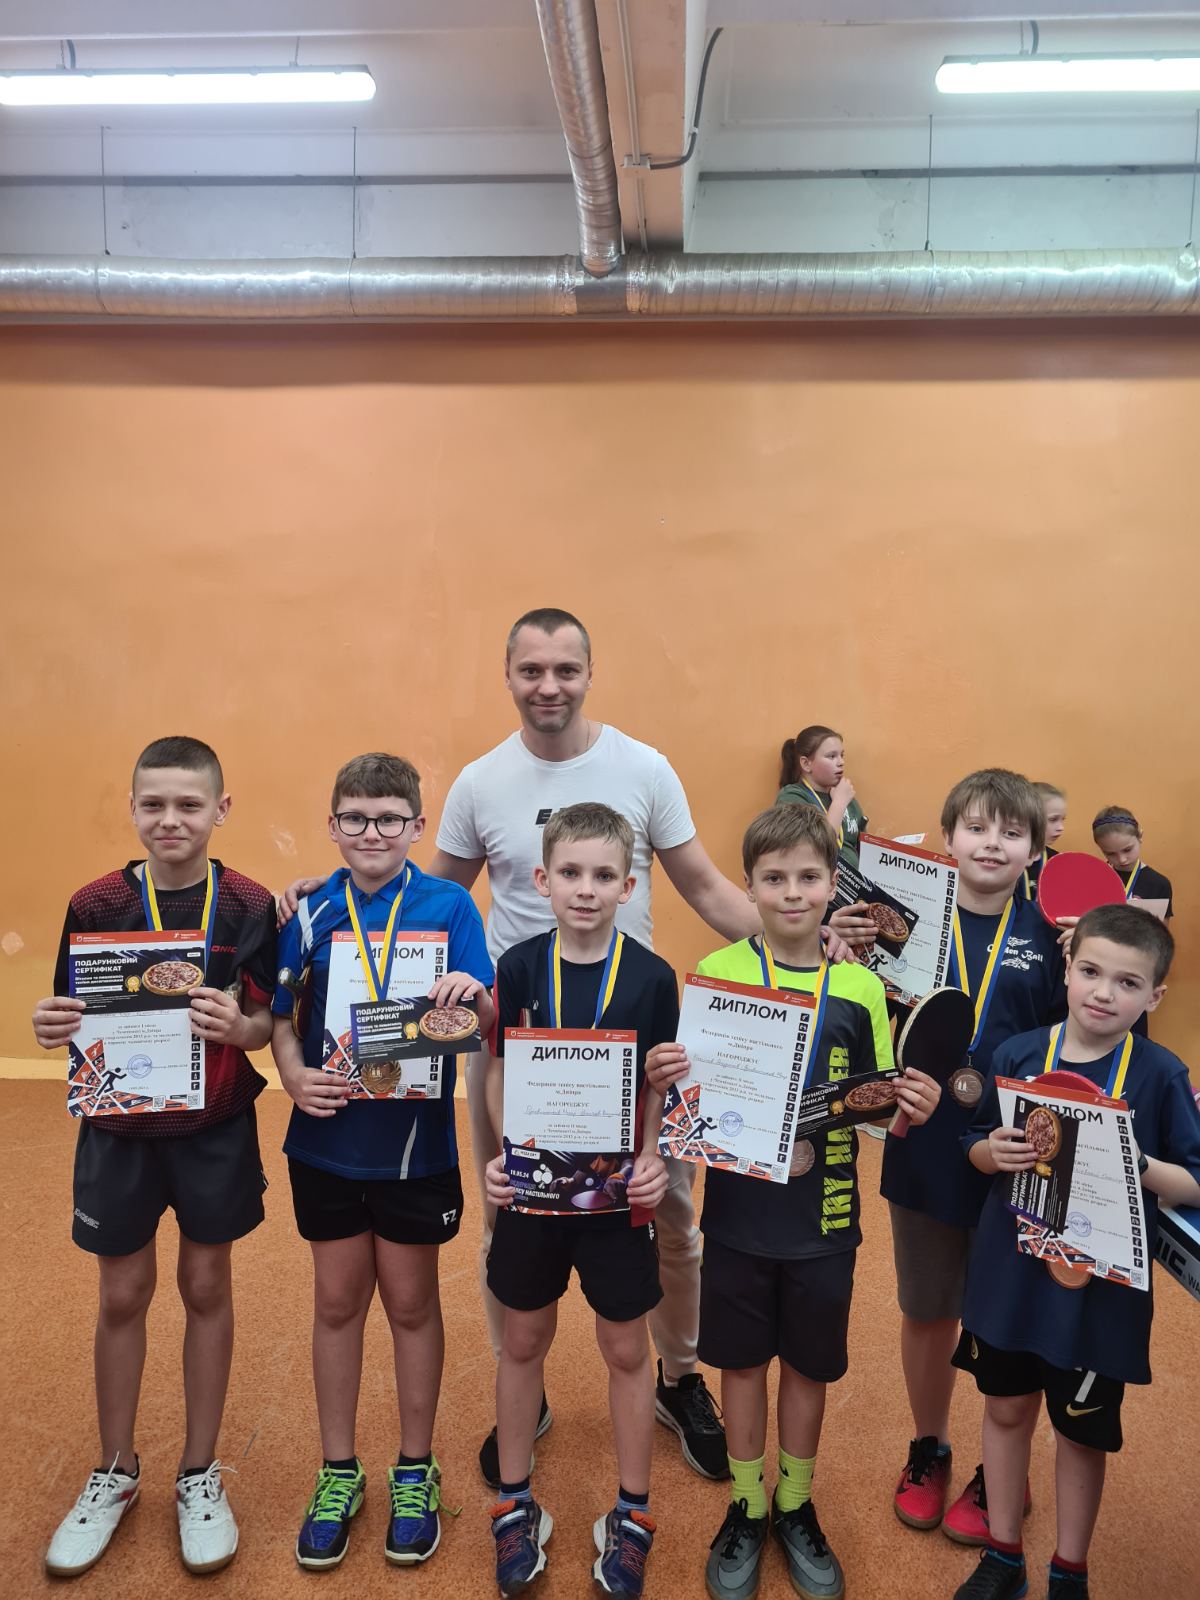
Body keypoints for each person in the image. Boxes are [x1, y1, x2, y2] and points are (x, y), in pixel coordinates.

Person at [279, 607, 796, 1486]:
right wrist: (327, 890)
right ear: (509, 676)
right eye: (531, 671)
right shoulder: (481, 782)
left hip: (629, 1037)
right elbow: (420, 890)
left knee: (666, 1213)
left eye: (564, 669)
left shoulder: (644, 768)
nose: (548, 686)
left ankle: (677, 1377)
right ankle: (526, 1380)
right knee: (509, 1211)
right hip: (513, 1035)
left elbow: (708, 888)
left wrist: (796, 945)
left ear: (589, 673)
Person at [649, 804, 941, 1600]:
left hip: (826, 1217)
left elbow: (873, 1106)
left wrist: (906, 1105)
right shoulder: (718, 972)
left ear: (832, 885)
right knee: (742, 1364)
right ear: (749, 885)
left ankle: (794, 1502)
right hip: (739, 1217)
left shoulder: (860, 987)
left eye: (809, 877)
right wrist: (667, 1076)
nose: (791, 892)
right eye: (773, 877)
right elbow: (693, 1102)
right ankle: (747, 1505)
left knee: (810, 1365)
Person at [32, 736, 277, 1578]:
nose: (170, 819)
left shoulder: (248, 905)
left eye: (188, 804)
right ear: (133, 807)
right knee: (122, 1293)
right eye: (153, 804)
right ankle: (116, 1468)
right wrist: (49, 1024)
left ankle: (199, 1472)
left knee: (206, 1286)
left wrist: (240, 1027)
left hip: (213, 1127)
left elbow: (265, 1023)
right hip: (119, 1130)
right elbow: (68, 1010)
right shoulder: (95, 903)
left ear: (220, 809)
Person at [271, 753, 494, 1572]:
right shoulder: (307, 911)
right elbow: (281, 1016)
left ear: (417, 826)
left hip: (414, 1147)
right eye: (356, 818)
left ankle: (413, 1468)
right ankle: (338, 1470)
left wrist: (471, 994)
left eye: (390, 818)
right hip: (326, 1140)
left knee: (409, 1303)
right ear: (332, 825)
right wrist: (290, 1075)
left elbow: (486, 1013)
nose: (373, 832)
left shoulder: (450, 906)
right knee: (336, 1304)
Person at [837, 770, 1067, 1544]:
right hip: (925, 1145)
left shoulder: (1054, 942)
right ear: (947, 838)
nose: (991, 843)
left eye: (1011, 831)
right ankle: (929, 1447)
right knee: (929, 1308)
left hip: (1020, 1153)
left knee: (1007, 1317)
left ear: (1035, 849)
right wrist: (847, 948)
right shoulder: (901, 921)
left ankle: (1003, 1462)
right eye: (976, 827)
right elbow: (860, 1016)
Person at [951, 905, 1200, 1600]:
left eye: (1128, 983)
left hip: (1099, 1295)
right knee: (1005, 1410)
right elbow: (973, 1144)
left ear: (1155, 996)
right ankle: (1003, 1554)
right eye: (1090, 971)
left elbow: (1193, 1180)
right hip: (1010, 1276)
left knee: (1081, 1433)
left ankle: (1069, 1570)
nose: (1103, 992)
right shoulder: (1017, 1056)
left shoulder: (1161, 1075)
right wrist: (989, 1151)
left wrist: (1136, 1162)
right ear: (1067, 968)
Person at [483, 803, 676, 1598]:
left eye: (603, 875)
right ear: (543, 879)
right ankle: (514, 1503)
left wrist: (654, 1157)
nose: (586, 889)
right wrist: (504, 1151)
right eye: (570, 873)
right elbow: (498, 1069)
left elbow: (660, 1084)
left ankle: (632, 1512)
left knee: (627, 1348)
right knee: (522, 1339)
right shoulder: (519, 967)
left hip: (615, 1200)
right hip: (533, 1193)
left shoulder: (653, 977)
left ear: (628, 885)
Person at [776, 725, 868, 871]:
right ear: (806, 764)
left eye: (842, 755)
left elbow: (863, 848)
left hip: (853, 882)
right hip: (818, 879)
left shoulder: (846, 796)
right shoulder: (792, 796)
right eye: (831, 756)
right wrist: (839, 803)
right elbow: (819, 849)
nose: (841, 762)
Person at [1090, 806, 1173, 918]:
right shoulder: (1093, 880)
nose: (1122, 859)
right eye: (1111, 854)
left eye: (1127, 850)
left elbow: (1161, 928)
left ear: (1140, 836)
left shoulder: (1159, 884)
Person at [1020, 783, 1067, 902]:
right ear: (1028, 819)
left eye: (1062, 819)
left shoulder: (1058, 861)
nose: (1061, 827)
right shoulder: (1008, 859)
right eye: (1053, 819)